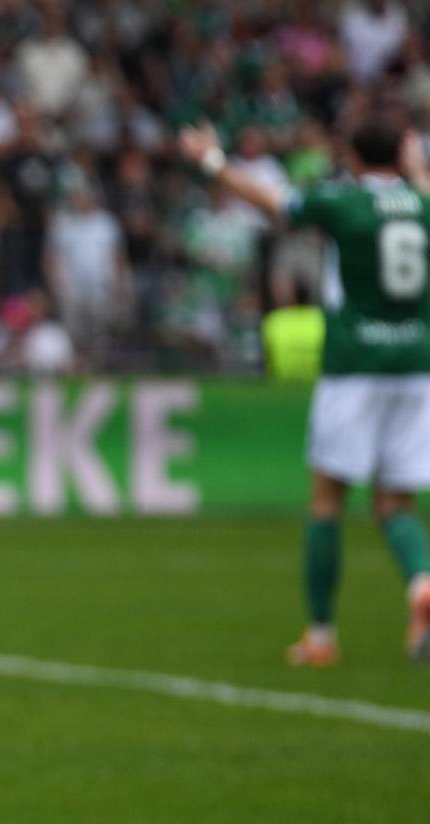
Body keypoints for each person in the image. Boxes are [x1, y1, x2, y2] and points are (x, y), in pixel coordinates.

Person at [181, 119, 430, 666]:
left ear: (353, 156)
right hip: (416, 364)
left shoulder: (343, 203)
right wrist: (415, 172)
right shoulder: (423, 204)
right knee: (396, 504)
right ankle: (421, 585)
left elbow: (272, 201)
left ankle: (321, 635)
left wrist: (213, 162)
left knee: (327, 501)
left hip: (355, 363)